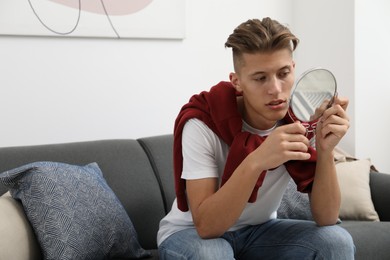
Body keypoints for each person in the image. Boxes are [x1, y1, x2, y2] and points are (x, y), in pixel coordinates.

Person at [157, 17, 355, 259]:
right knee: (211, 253)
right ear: (237, 82)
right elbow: (207, 227)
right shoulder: (202, 123)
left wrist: (325, 151)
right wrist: (257, 160)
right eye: (260, 78)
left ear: (293, 68)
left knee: (335, 241)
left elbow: (327, 218)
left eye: (283, 74)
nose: (275, 89)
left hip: (260, 231)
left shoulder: (299, 120)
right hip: (190, 234)